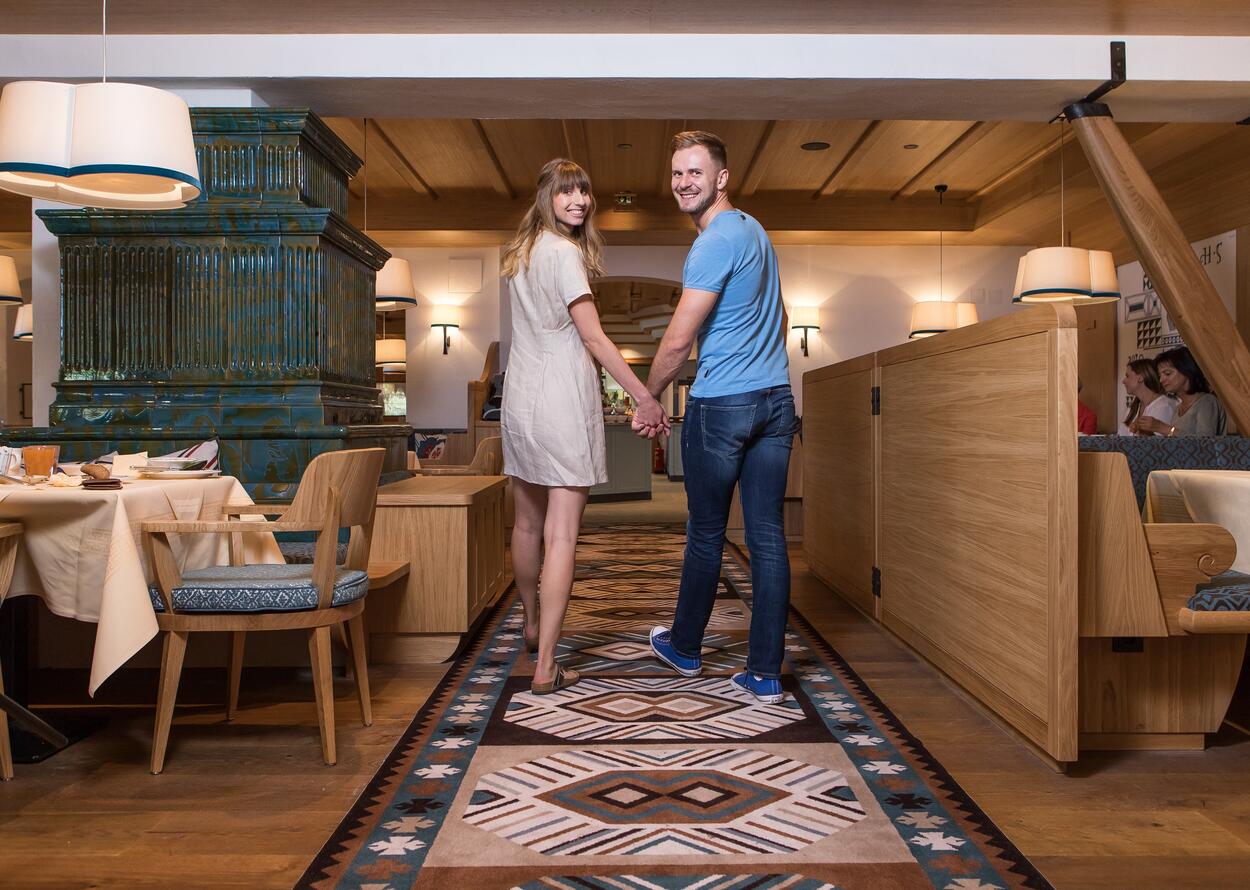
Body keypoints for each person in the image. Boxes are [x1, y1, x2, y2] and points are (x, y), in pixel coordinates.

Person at [501, 158, 668, 694]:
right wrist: (643, 395)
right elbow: (594, 339)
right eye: (566, 192)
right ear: (546, 196)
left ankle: (531, 626)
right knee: (562, 532)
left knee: (527, 525)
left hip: (521, 396)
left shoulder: (519, 254)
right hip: (559, 399)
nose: (579, 200)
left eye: (584, 192)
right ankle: (547, 664)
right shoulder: (565, 252)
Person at [644, 130, 797, 704]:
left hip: (722, 404)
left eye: (695, 172)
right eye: (678, 173)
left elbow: (679, 341)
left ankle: (684, 646)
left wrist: (647, 396)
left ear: (721, 178)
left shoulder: (711, 243)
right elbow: (779, 318)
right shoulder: (756, 232)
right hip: (776, 401)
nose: (684, 182)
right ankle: (764, 674)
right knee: (768, 537)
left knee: (707, 533)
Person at [1135, 346, 1228, 436]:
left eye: (1167, 373)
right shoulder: (1178, 408)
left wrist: (1162, 427)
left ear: (1186, 371)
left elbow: (1204, 444)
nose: (1161, 380)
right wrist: (1148, 435)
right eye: (1160, 376)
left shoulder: (1207, 402)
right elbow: (1178, 445)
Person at [1118, 358, 1175, 436]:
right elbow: (1121, 437)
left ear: (1140, 378)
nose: (1123, 381)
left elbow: (1159, 444)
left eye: (1127, 376)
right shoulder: (1133, 407)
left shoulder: (1163, 406)